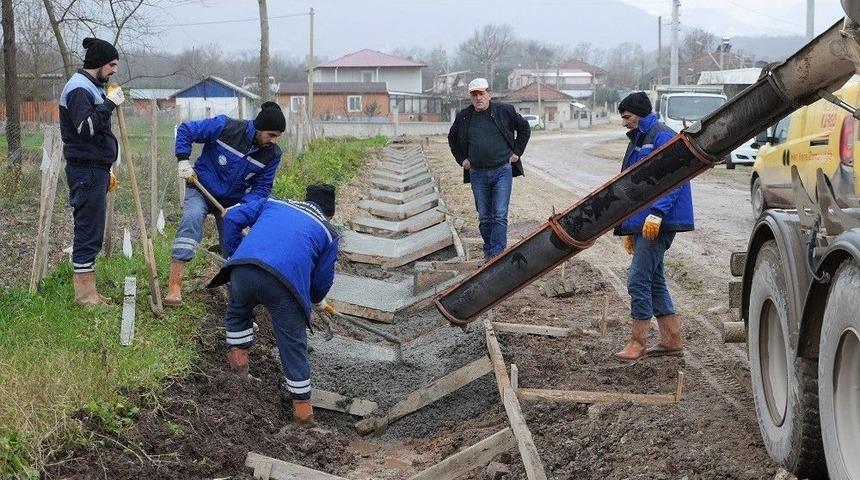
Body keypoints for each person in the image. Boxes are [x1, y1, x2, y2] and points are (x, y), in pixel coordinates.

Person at [207, 184, 339, 425]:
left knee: (238, 314)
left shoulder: (274, 202)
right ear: (330, 213)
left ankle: (239, 375)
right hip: (283, 285)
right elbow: (321, 280)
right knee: (292, 343)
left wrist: (234, 253)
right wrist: (316, 300)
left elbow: (233, 216)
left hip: (243, 270)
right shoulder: (328, 231)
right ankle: (303, 413)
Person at [165, 101, 286, 306]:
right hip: (201, 189)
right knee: (192, 219)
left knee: (234, 245)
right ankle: (174, 286)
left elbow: (262, 189)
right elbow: (186, 130)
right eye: (271, 135)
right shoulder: (226, 127)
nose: (274, 141)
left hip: (232, 202)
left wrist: (241, 207)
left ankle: (239, 301)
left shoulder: (272, 154)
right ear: (259, 128)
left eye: (277, 137)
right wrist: (183, 159)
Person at [613, 92, 694, 361]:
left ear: (640, 113)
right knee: (655, 279)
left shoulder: (661, 136)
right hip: (645, 222)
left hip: (659, 221)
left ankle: (637, 342)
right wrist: (629, 227)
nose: (624, 122)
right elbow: (632, 184)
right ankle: (672, 340)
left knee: (637, 278)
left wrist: (658, 213)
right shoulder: (639, 140)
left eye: (627, 117)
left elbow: (677, 175)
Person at [59, 37, 124, 305]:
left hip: (95, 169)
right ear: (97, 64)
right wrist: (109, 105)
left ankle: (90, 291)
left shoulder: (92, 87)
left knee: (93, 229)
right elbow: (85, 128)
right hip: (85, 171)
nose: (114, 70)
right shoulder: (78, 89)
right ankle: (84, 297)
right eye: (111, 64)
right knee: (87, 230)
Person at [447, 78, 531, 259]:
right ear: (470, 97)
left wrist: (517, 152)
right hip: (477, 173)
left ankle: (497, 255)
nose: (478, 98)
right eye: (474, 94)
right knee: (484, 216)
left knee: (499, 214)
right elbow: (452, 139)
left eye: (481, 93)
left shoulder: (505, 111)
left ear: (489, 94)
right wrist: (462, 160)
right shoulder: (463, 116)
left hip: (502, 170)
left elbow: (524, 128)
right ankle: (489, 249)